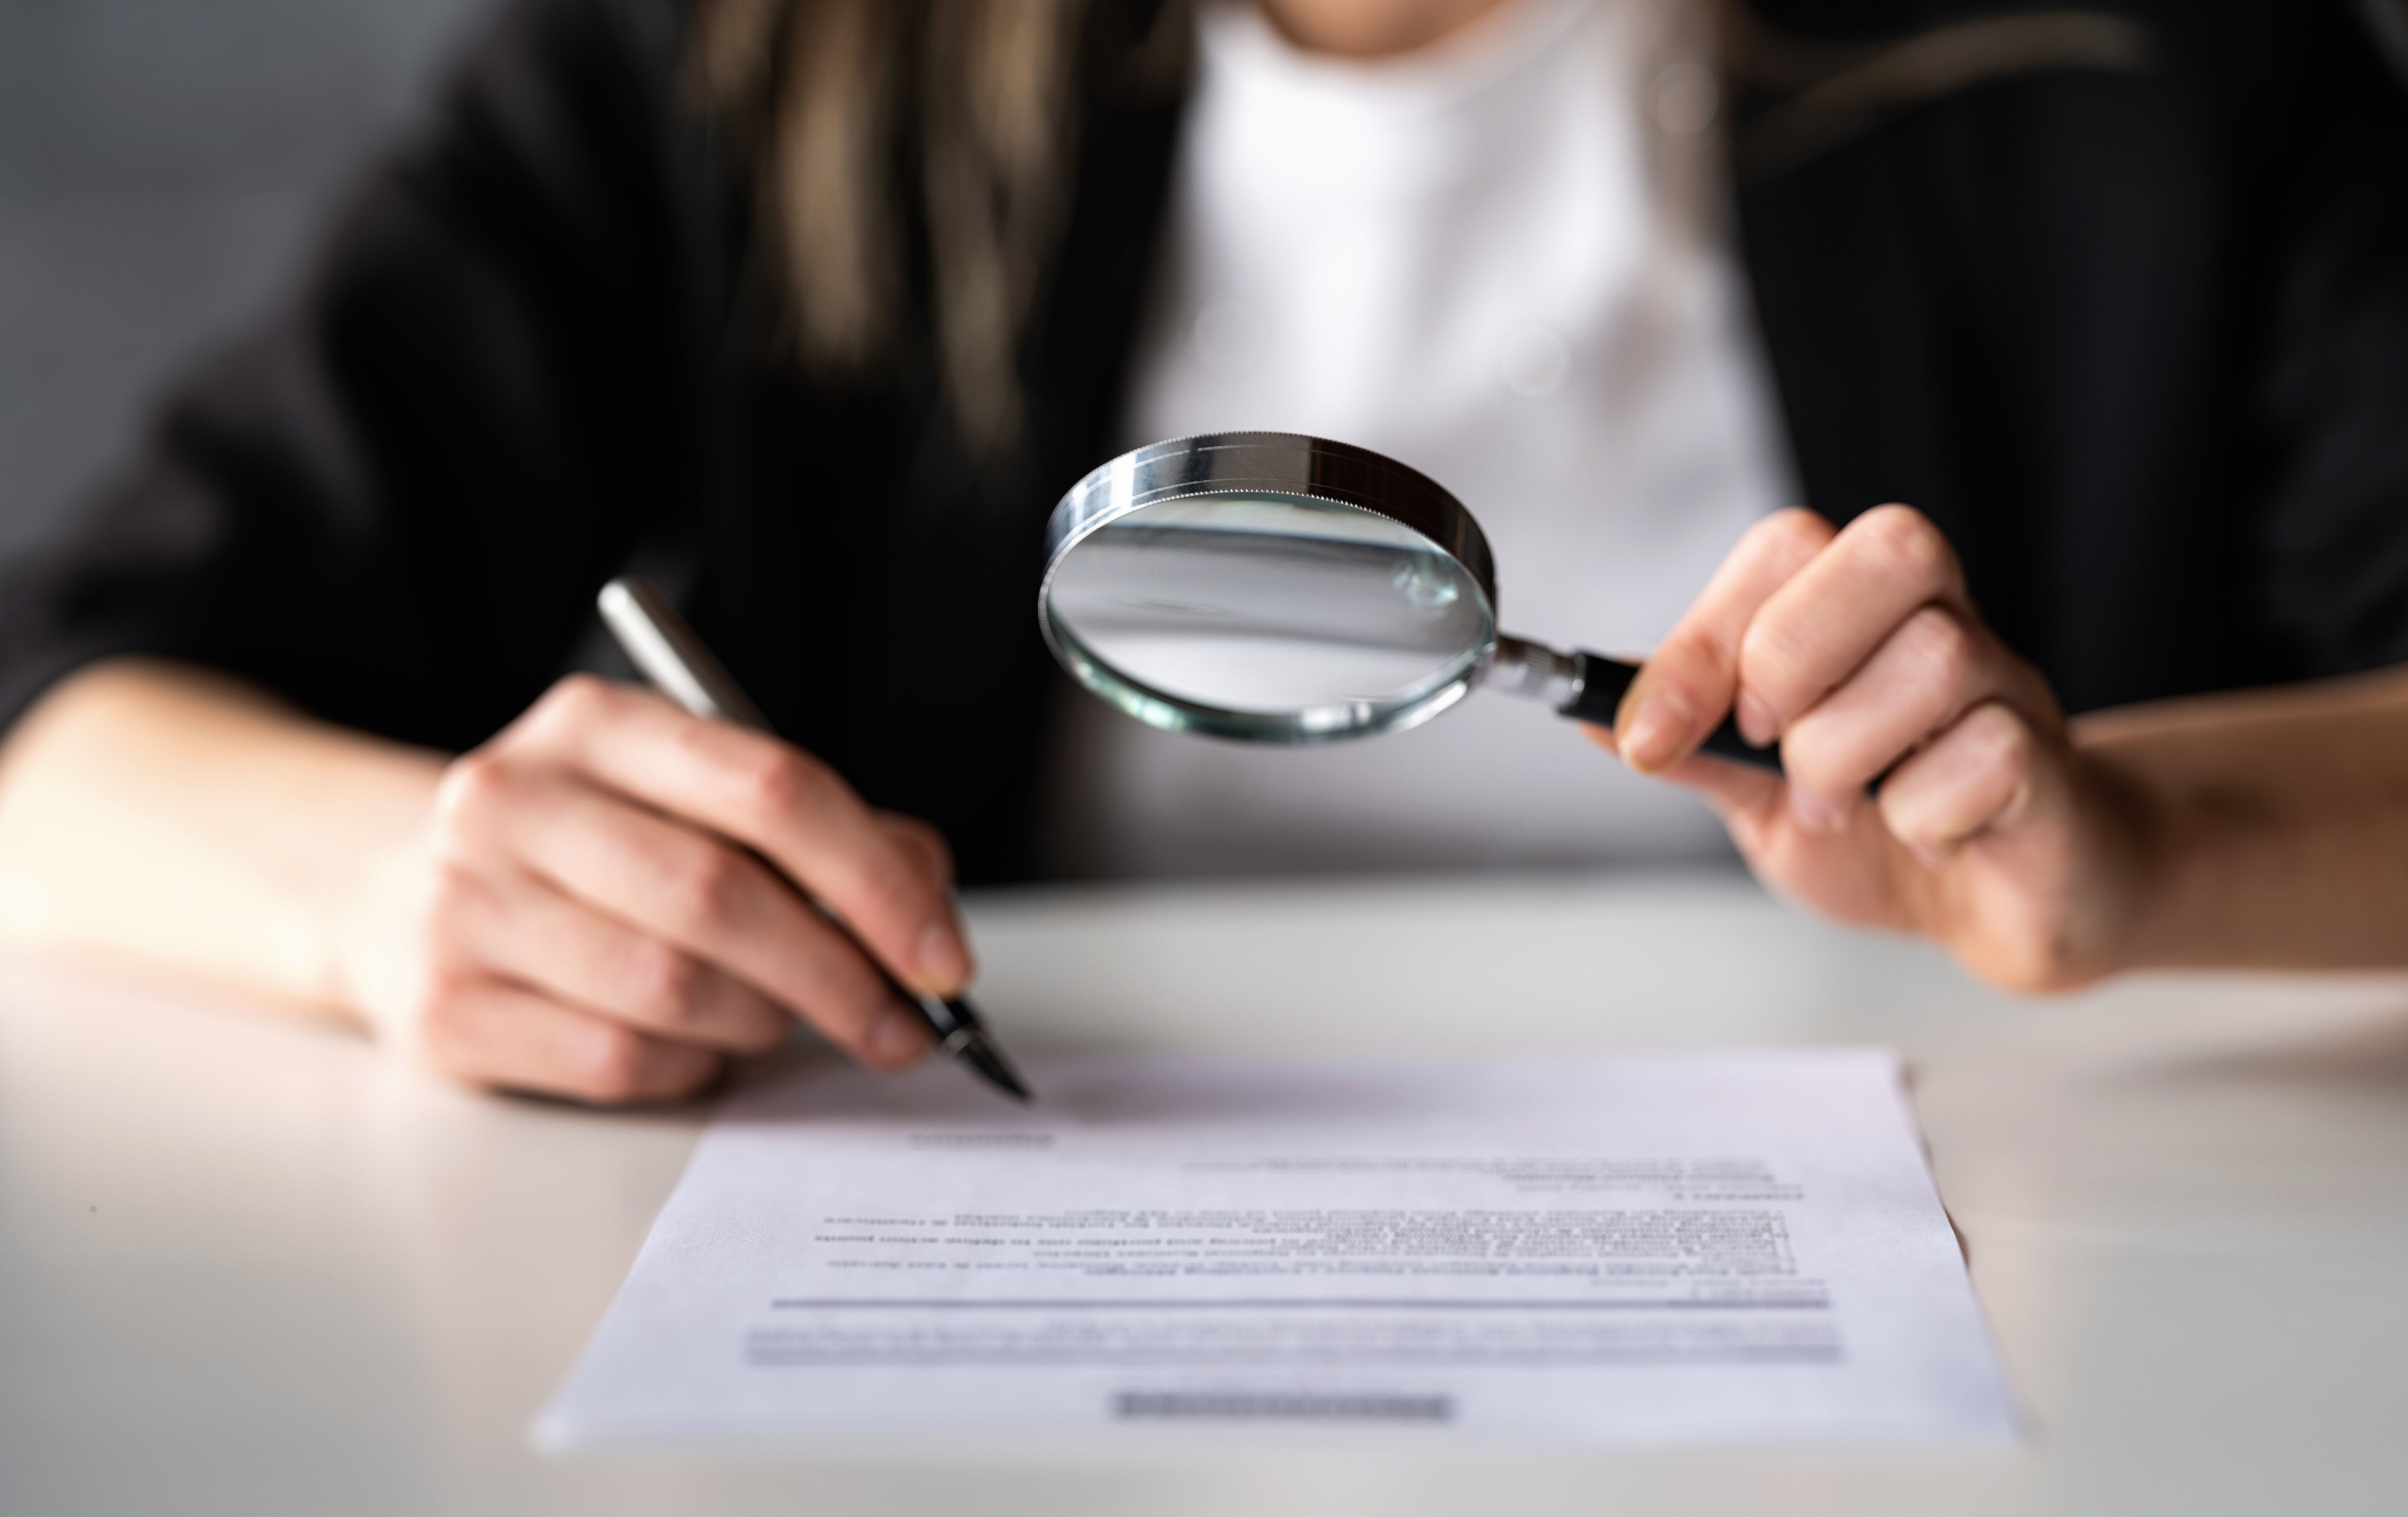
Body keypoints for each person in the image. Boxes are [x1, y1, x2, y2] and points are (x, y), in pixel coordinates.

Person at [0, 0, 2403, 1104]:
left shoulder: (2141, 61)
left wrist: (2139, 845)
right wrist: (398, 893)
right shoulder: (737, 63)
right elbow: (65, 712)